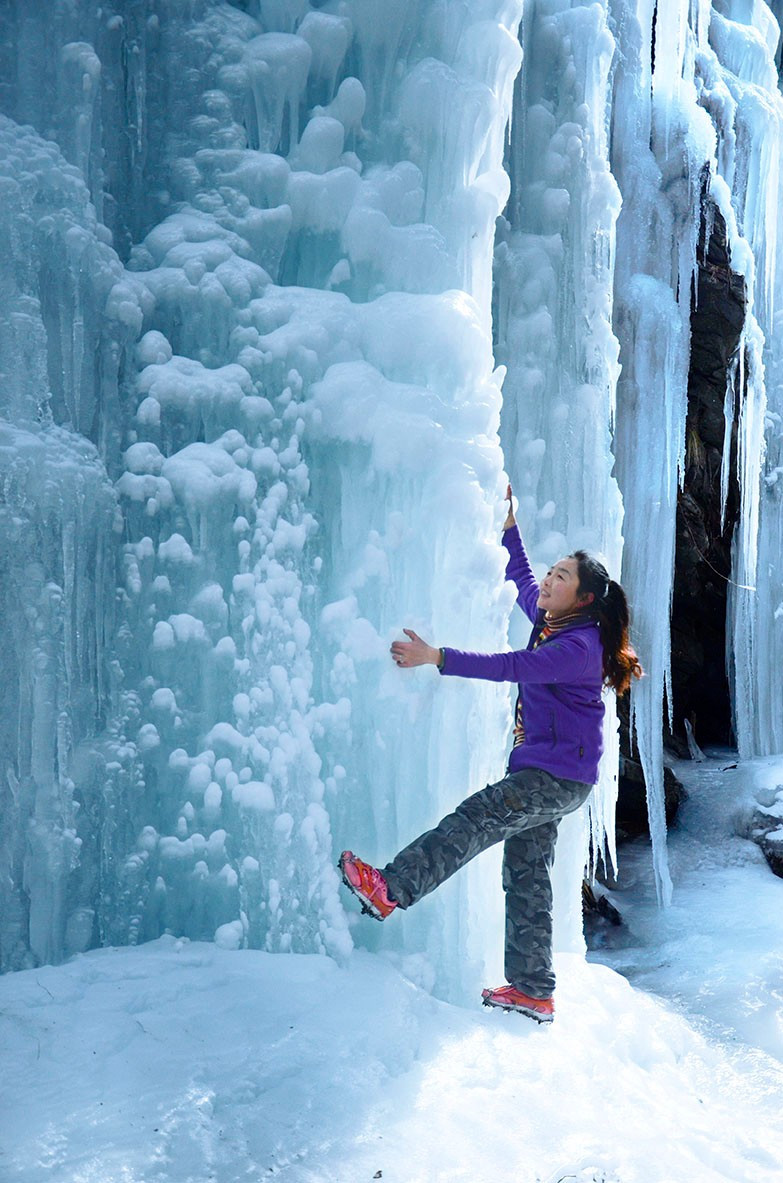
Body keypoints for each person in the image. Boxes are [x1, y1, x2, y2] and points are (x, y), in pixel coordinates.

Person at [339, 484, 642, 1022]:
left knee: (474, 820)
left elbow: (511, 668)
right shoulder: (556, 620)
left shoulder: (576, 647)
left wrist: (436, 656)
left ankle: (391, 888)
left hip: (552, 777)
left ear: (585, 599)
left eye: (563, 577)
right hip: (559, 777)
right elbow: (522, 581)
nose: (549, 580)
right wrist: (509, 528)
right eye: (554, 572)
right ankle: (533, 991)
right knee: (526, 871)